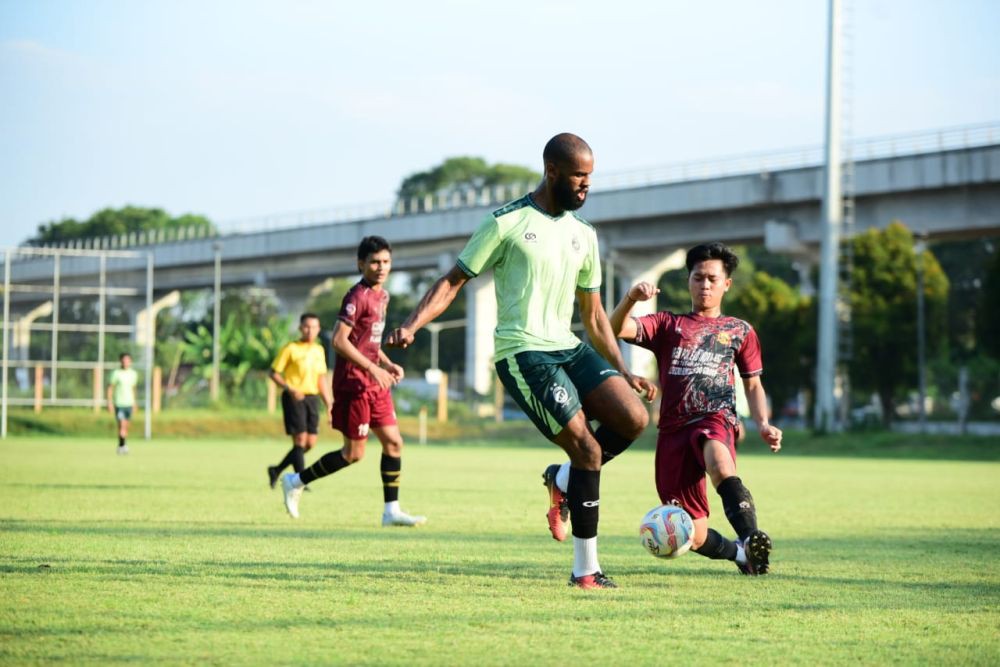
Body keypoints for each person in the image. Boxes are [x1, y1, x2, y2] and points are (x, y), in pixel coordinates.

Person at [386, 133, 656, 589]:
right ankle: (585, 570)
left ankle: (563, 479)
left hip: (566, 346)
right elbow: (453, 281)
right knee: (588, 448)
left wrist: (625, 369)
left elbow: (591, 314)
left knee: (633, 417)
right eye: (578, 177)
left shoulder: (584, 235)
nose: (586, 186)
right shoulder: (505, 223)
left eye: (590, 177)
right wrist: (412, 324)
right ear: (552, 172)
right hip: (523, 352)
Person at [609, 242, 782, 575]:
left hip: (716, 417)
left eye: (713, 279)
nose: (705, 284)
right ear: (688, 280)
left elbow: (754, 384)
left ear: (726, 284)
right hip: (673, 430)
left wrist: (762, 422)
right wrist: (631, 297)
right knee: (693, 533)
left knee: (719, 462)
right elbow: (615, 328)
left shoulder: (740, 331)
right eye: (698, 277)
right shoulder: (666, 325)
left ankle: (749, 537)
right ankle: (743, 557)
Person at [281, 236, 426, 527]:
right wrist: (374, 368)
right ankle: (296, 480)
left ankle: (391, 511)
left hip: (374, 381)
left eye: (386, 261)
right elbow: (338, 341)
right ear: (361, 264)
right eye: (374, 262)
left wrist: (386, 363)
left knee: (394, 443)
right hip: (353, 384)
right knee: (353, 454)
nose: (381, 267)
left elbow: (367, 343)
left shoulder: (382, 296)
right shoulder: (356, 297)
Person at [267, 313, 334, 492]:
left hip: (312, 399)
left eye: (314, 327)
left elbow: (321, 379)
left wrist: (329, 404)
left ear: (318, 329)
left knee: (310, 442)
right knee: (300, 439)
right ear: (300, 328)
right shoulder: (291, 348)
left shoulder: (319, 350)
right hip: (294, 397)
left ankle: (276, 470)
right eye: (306, 326)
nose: (310, 330)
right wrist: (290, 388)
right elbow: (273, 373)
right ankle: (300, 481)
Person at [107, 352, 138, 455]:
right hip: (119, 403)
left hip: (129, 403)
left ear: (130, 362)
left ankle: (122, 445)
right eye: (124, 360)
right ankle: (122, 446)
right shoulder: (116, 373)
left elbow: (133, 389)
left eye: (127, 360)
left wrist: (134, 403)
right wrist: (109, 402)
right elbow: (110, 388)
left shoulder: (133, 374)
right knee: (122, 425)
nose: (125, 362)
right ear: (121, 361)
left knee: (126, 427)